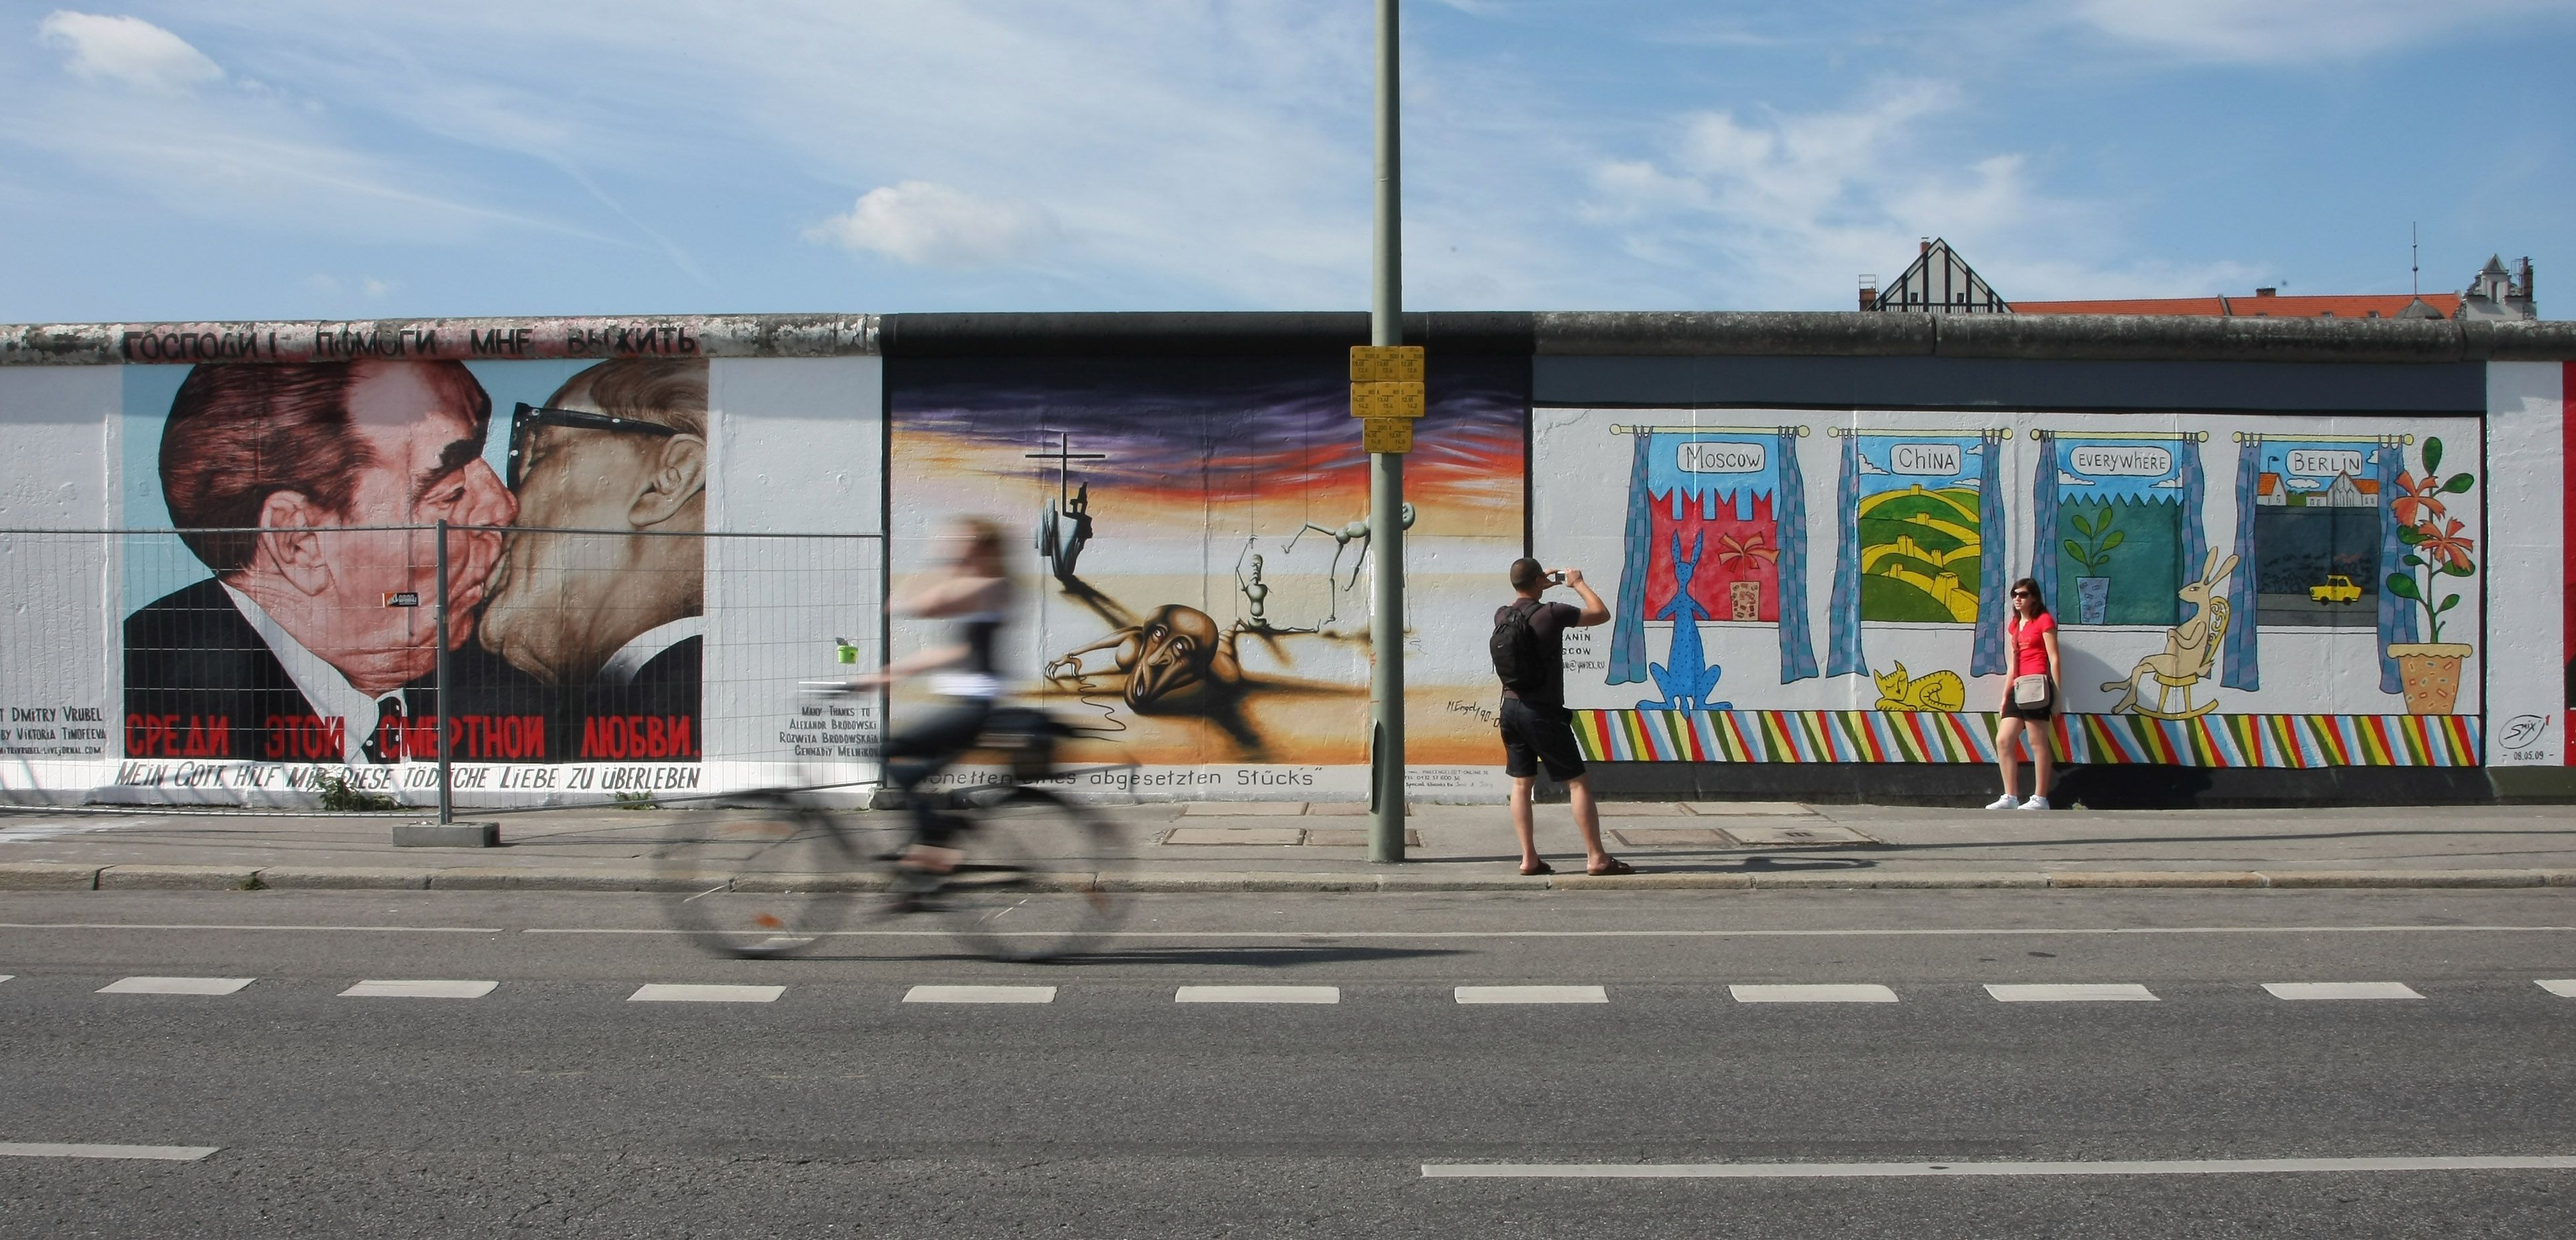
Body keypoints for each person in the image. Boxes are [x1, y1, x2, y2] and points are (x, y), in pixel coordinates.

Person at [125, 359, 526, 764]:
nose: (503, 507)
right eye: (450, 490)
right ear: (297, 542)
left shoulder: (508, 690)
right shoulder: (146, 683)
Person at [476, 359, 708, 760]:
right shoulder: (646, 687)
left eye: (540, 452)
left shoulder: (682, 687)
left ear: (671, 477)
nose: (504, 504)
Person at [845, 517, 1014, 874]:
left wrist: (942, 562)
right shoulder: (986, 589)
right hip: (969, 706)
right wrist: (883, 676)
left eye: (962, 541)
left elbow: (921, 606)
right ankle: (930, 855)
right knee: (911, 772)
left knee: (883, 753)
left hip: (975, 709)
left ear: (982, 547)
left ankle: (934, 836)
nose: (954, 544)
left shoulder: (990, 585)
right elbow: (952, 653)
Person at [1495, 557, 1632, 876]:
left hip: (1510, 709)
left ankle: (1529, 858)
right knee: (1577, 783)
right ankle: (1597, 857)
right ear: (1539, 581)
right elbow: (1601, 613)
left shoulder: (1503, 614)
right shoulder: (1553, 613)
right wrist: (1576, 583)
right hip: (1542, 712)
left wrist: (1540, 582)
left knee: (1520, 784)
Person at [1989, 576, 2063, 811]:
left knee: (2037, 742)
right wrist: (2004, 695)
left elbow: (2054, 658)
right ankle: (2010, 796)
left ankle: (2040, 798)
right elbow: (2013, 662)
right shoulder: (2014, 625)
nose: (2018, 599)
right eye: (2015, 595)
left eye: (2023, 595)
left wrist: (2058, 696)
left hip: (2037, 685)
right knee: (2004, 740)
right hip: (2018, 686)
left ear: (2034, 598)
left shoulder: (2044, 620)